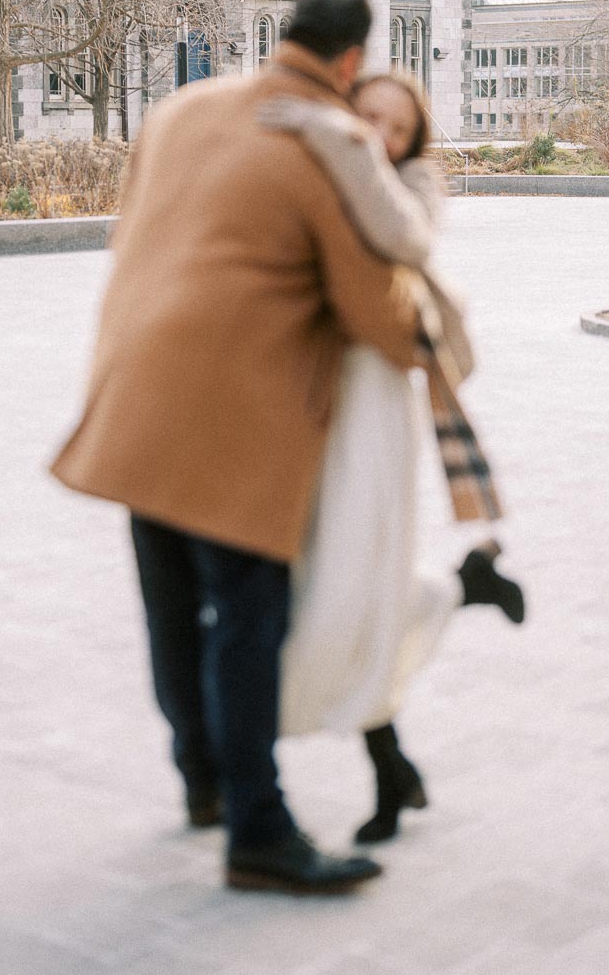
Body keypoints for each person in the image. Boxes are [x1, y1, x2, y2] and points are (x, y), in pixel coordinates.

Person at [49, 0, 431, 895]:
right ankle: (260, 831)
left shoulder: (184, 108)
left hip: (137, 398)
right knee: (247, 626)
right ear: (349, 62)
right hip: (237, 430)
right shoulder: (317, 143)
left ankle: (206, 786)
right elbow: (377, 312)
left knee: (173, 615)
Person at [259, 73, 525, 843]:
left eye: (395, 127)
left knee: (347, 592)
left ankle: (388, 770)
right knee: (336, 588)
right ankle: (460, 599)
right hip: (310, 405)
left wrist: (339, 142)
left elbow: (398, 237)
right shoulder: (320, 166)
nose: (376, 133)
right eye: (365, 116)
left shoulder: (410, 185)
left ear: (412, 143)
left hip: (373, 407)